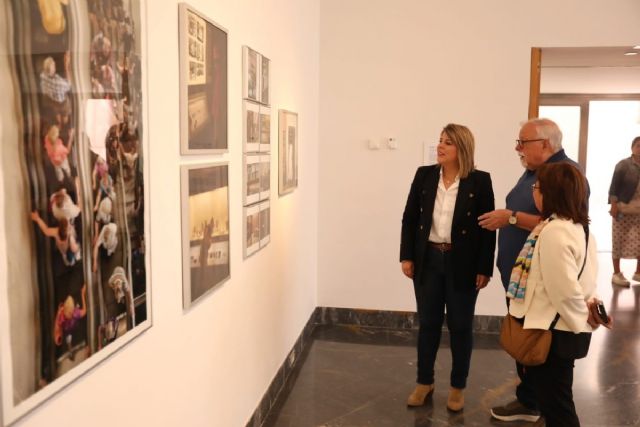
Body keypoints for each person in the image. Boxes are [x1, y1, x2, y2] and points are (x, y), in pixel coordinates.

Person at [479, 118, 586, 423]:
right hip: (522, 283)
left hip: (543, 291)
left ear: (546, 144)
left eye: (522, 142)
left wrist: (510, 217)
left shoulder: (566, 173)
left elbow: (564, 219)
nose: (517, 148)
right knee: (526, 347)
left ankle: (542, 405)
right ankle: (530, 400)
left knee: (544, 356)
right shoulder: (533, 171)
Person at [506, 162, 611, 426]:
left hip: (555, 334)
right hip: (566, 329)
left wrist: (581, 322)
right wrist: (585, 317)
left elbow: (563, 290)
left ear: (551, 193)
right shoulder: (579, 227)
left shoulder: (553, 231)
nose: (534, 192)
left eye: (537, 187)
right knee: (556, 402)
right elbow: (585, 280)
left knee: (558, 409)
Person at [400, 123, 496, 411]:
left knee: (461, 326)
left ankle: (457, 387)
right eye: (440, 141)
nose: (440, 146)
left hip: (462, 263)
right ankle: (424, 382)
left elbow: (488, 229)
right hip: (428, 259)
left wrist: (484, 267)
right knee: (428, 324)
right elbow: (408, 218)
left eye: (448, 143)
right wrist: (407, 256)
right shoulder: (425, 175)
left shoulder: (480, 181)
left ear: (462, 149)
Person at [608, 136, 640, 287]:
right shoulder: (623, 165)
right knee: (618, 242)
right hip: (622, 209)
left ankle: (638, 272)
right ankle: (616, 273)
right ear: (632, 148)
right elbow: (614, 187)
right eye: (638, 145)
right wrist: (613, 205)